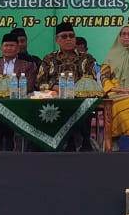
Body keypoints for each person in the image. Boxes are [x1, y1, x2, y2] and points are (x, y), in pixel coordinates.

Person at [35, 22, 98, 151]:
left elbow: (92, 79)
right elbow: (39, 82)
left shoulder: (87, 58)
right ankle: (62, 141)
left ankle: (85, 141)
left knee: (84, 102)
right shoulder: (49, 58)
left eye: (71, 36)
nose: (69, 39)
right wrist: (55, 87)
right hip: (56, 97)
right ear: (56, 39)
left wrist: (75, 89)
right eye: (64, 36)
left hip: (79, 97)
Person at [0, 32, 37, 151]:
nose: (8, 48)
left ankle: (0, 137)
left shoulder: (27, 65)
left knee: (10, 108)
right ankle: (5, 137)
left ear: (17, 49)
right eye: (6, 46)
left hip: (17, 101)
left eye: (12, 46)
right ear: (1, 48)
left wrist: (11, 93)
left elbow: (29, 86)